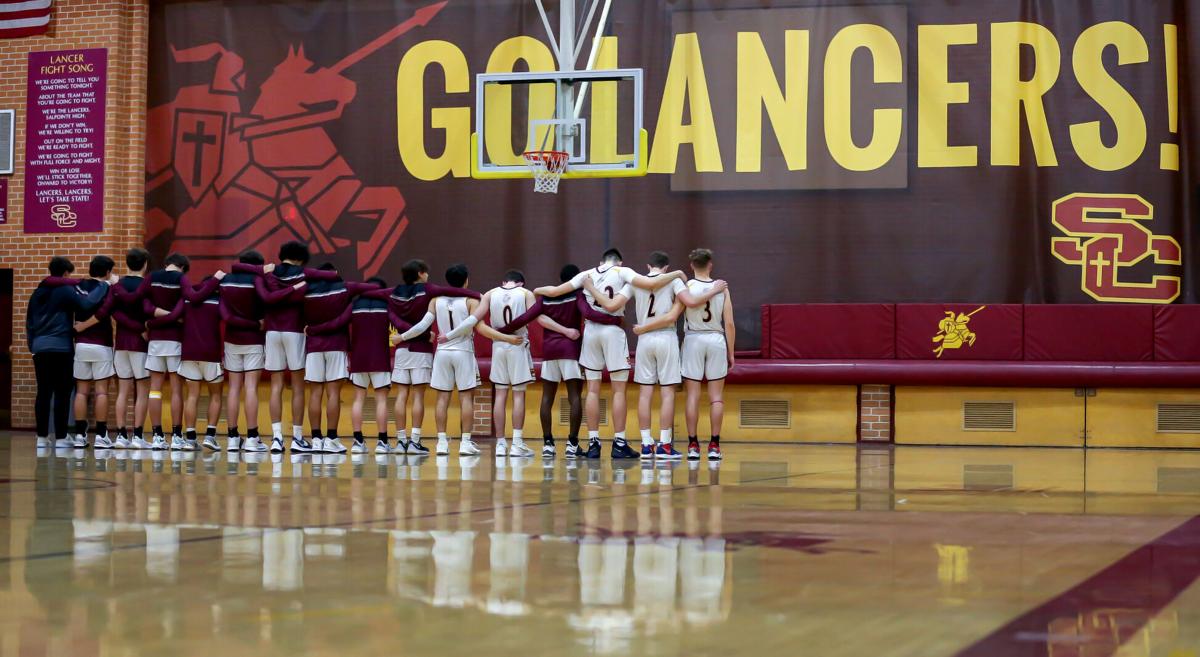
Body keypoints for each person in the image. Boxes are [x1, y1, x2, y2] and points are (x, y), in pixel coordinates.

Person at [533, 248, 687, 460]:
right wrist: (677, 273)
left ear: (601, 261)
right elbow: (651, 283)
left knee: (593, 390)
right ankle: (619, 442)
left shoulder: (585, 275)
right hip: (613, 333)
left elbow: (554, 291)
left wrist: (536, 290)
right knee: (618, 391)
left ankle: (594, 443)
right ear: (620, 262)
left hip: (591, 332)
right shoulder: (623, 272)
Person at [497, 264, 621, 458]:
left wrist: (501, 332)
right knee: (574, 397)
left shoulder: (547, 296)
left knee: (547, 397)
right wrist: (613, 320)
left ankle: (548, 443)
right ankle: (572, 444)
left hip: (549, 351)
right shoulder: (577, 295)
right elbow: (589, 313)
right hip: (570, 349)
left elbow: (525, 318)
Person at [397, 264, 517, 457]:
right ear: (466, 279)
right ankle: (465, 443)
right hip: (463, 351)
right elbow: (475, 326)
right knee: (466, 398)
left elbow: (422, 326)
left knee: (442, 398)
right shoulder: (471, 300)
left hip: (442, 353)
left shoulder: (436, 300)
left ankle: (442, 443)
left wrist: (402, 337)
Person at [363, 259, 479, 455]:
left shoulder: (398, 293)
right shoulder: (432, 292)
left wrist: (401, 336)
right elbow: (459, 303)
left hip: (409, 351)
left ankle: (409, 441)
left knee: (407, 396)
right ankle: (423, 440)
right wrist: (480, 296)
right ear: (420, 273)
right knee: (433, 397)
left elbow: (372, 294)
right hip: (434, 350)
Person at [629, 252, 727, 459]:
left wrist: (642, 327)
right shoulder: (675, 282)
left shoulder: (636, 282)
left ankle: (646, 444)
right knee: (668, 393)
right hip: (668, 338)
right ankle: (666, 445)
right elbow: (681, 309)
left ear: (649, 265)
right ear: (666, 267)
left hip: (645, 339)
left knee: (645, 394)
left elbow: (614, 304)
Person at [233, 241, 311, 453]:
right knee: (297, 386)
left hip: (272, 331)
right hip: (294, 330)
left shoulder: (268, 274)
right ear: (302, 258)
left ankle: (276, 438)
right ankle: (297, 438)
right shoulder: (304, 274)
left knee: (276, 386)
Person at [27, 257, 109, 449]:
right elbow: (87, 304)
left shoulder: (37, 293)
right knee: (63, 392)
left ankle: (41, 438)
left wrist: (32, 346)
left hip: (39, 347)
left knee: (43, 392)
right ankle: (62, 437)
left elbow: (29, 322)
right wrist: (104, 286)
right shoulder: (64, 290)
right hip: (61, 347)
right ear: (66, 273)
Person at [301, 263, 376, 454]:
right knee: (333, 393)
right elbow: (374, 287)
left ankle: (316, 439)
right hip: (336, 345)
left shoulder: (306, 291)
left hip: (313, 347)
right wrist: (352, 304)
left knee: (315, 393)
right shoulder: (345, 287)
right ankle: (331, 439)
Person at [680, 249, 735, 461]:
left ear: (691, 265)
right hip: (715, 339)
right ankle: (714, 445)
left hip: (693, 338)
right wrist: (731, 352)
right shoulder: (721, 288)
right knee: (716, 398)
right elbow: (729, 323)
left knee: (692, 395)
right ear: (710, 264)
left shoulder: (686, 287)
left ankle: (693, 445)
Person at [477, 270, 537, 458]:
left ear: (504, 281)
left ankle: (501, 444)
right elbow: (534, 317)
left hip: (499, 345)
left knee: (500, 395)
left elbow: (477, 321)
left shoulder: (490, 293)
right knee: (518, 395)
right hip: (518, 343)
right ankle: (517, 443)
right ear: (521, 283)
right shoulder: (526, 293)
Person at [220, 250, 269, 452]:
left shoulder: (226, 281)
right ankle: (252, 437)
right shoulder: (260, 281)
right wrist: (257, 324)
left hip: (232, 339)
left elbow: (224, 314)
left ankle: (232, 437)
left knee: (233, 388)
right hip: (254, 339)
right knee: (250, 388)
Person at [170, 273, 226, 451]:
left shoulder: (187, 299)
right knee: (216, 396)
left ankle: (191, 439)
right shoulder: (218, 301)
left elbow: (176, 317)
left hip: (189, 352)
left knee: (192, 396)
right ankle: (210, 436)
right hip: (211, 353)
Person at [143, 253, 191, 450]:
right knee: (176, 390)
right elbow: (182, 310)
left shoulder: (151, 277)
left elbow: (145, 306)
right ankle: (177, 436)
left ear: (166, 263)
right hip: (175, 341)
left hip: (155, 340)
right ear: (182, 267)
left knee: (154, 390)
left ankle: (156, 436)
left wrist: (152, 322)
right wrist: (172, 316)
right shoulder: (182, 279)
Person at [69, 255, 118, 448]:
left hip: (80, 345)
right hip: (101, 344)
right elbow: (102, 314)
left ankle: (80, 436)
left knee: (81, 392)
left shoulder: (78, 286)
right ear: (107, 272)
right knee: (101, 392)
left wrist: (78, 328)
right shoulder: (107, 289)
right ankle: (101, 436)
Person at [109, 248, 152, 449]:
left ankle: (120, 436)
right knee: (142, 391)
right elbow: (149, 311)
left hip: (121, 344)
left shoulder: (118, 285)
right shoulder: (147, 285)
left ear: (126, 263)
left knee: (123, 391)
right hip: (140, 343)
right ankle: (137, 436)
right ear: (145, 264)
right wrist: (141, 328)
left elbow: (113, 312)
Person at [347, 277, 392, 454]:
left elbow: (340, 322)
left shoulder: (354, 306)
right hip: (380, 357)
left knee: (359, 399)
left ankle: (358, 441)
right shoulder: (387, 305)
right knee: (381, 400)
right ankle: (382, 443)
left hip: (358, 358)